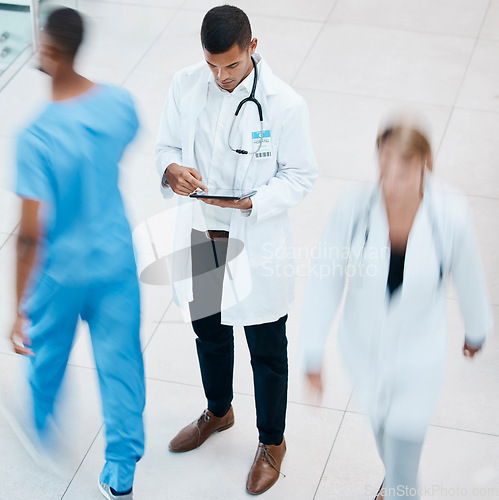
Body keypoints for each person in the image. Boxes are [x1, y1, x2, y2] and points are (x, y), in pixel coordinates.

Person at [155, 5, 317, 495]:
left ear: (252, 47)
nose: (221, 77)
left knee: (267, 350)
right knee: (209, 333)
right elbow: (165, 148)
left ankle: (272, 442)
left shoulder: (284, 104)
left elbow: (301, 176)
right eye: (212, 66)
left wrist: (254, 201)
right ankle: (219, 411)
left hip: (255, 239)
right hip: (203, 233)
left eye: (230, 65)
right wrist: (172, 171)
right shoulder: (185, 85)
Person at [299, 119, 493, 499]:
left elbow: (469, 273)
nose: (390, 181)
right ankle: (395, 481)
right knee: (384, 431)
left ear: (424, 165)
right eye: (384, 166)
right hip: (363, 347)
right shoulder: (354, 208)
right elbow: (326, 278)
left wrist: (476, 329)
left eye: (402, 171)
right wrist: (312, 351)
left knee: (403, 464)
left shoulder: (449, 213)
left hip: (419, 356)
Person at [8, 8, 145, 500]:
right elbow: (122, 143)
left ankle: (42, 423)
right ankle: (121, 470)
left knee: (47, 355)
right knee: (121, 363)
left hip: (61, 271)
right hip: (115, 260)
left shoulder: (36, 137)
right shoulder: (120, 105)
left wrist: (18, 308)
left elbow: (28, 237)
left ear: (46, 51)